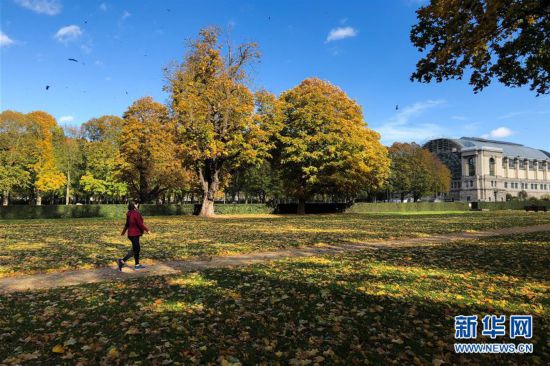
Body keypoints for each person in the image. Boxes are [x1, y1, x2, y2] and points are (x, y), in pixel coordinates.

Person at [117, 201, 150, 271]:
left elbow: (127, 224)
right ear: (134, 205)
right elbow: (140, 224)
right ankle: (122, 261)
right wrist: (147, 230)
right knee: (136, 249)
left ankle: (137, 265)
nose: (137, 205)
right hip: (135, 234)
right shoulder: (135, 213)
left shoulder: (129, 213)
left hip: (131, 234)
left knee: (136, 249)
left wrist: (123, 232)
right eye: (136, 204)